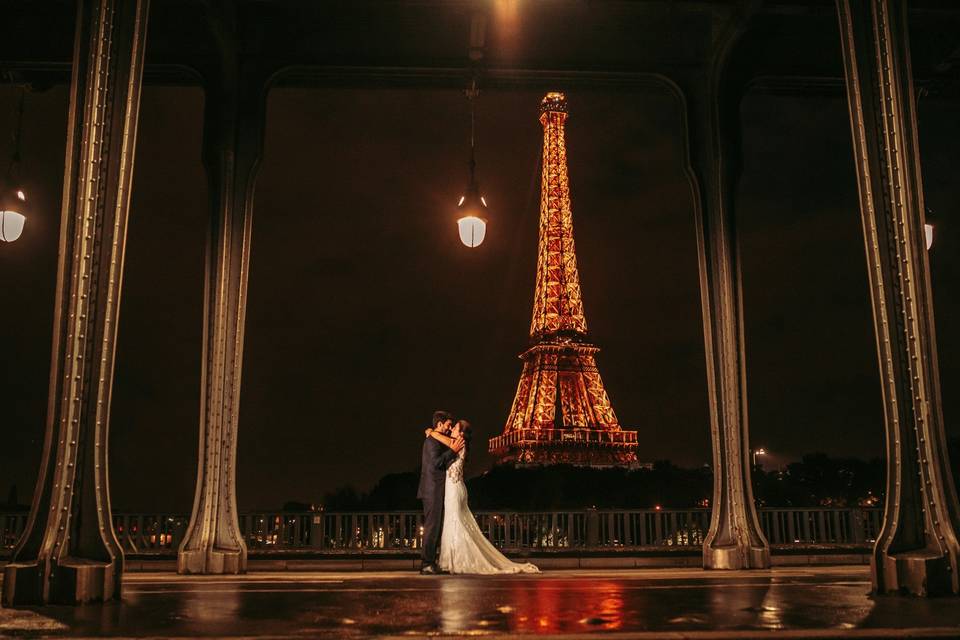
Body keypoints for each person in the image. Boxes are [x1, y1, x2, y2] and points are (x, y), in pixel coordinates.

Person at [426, 419, 539, 575]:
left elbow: (442, 440)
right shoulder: (460, 444)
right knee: (455, 523)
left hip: (454, 490)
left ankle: (456, 560)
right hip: (457, 489)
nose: (451, 429)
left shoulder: (458, 442)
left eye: (455, 428)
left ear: (461, 434)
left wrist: (432, 432)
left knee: (454, 523)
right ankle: (453, 559)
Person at [417, 410, 464, 574]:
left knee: (435, 527)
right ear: (439, 424)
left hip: (434, 489)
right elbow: (437, 462)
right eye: (448, 425)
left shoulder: (434, 440)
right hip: (432, 490)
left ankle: (430, 562)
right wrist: (452, 451)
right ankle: (426, 564)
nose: (449, 429)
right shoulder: (431, 442)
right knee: (432, 527)